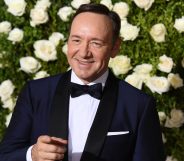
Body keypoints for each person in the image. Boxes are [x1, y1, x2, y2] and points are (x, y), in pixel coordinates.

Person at [0, 3, 166, 161]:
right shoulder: (35, 93)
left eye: (96, 43)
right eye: (77, 40)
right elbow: (5, 155)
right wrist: (32, 155)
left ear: (115, 47)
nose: (84, 52)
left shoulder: (139, 105)